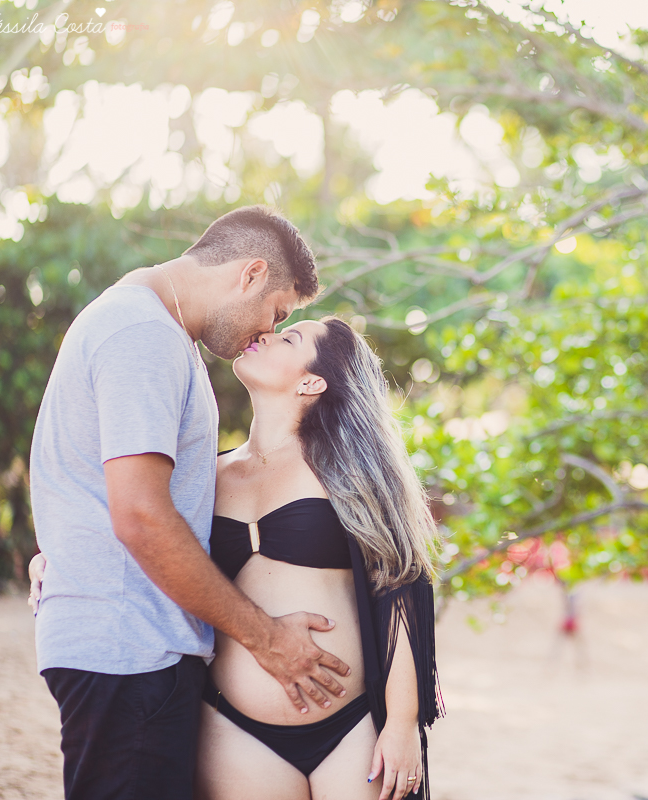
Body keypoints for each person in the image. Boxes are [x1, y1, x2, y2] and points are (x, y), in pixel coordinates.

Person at [29, 206, 353, 800]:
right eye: (278, 313)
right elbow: (142, 517)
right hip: (131, 652)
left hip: (133, 648)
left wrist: (63, 553)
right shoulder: (143, 334)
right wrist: (266, 638)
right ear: (251, 274)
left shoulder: (150, 330)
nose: (265, 331)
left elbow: (93, 483)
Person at [194, 315, 442, 800]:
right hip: (233, 726)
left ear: (312, 382)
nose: (263, 334)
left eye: (289, 338)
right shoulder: (205, 474)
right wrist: (50, 558)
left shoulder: (351, 473)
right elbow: (148, 537)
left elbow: (400, 592)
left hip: (351, 731)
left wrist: (402, 723)